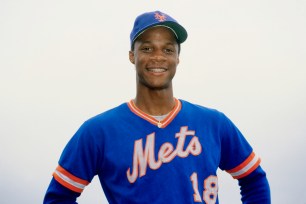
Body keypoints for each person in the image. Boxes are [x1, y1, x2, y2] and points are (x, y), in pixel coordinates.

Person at [44, 10, 271, 203]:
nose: (158, 57)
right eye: (147, 48)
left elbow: (253, 178)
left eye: (168, 49)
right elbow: (59, 196)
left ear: (178, 59)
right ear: (132, 56)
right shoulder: (98, 132)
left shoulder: (214, 123)